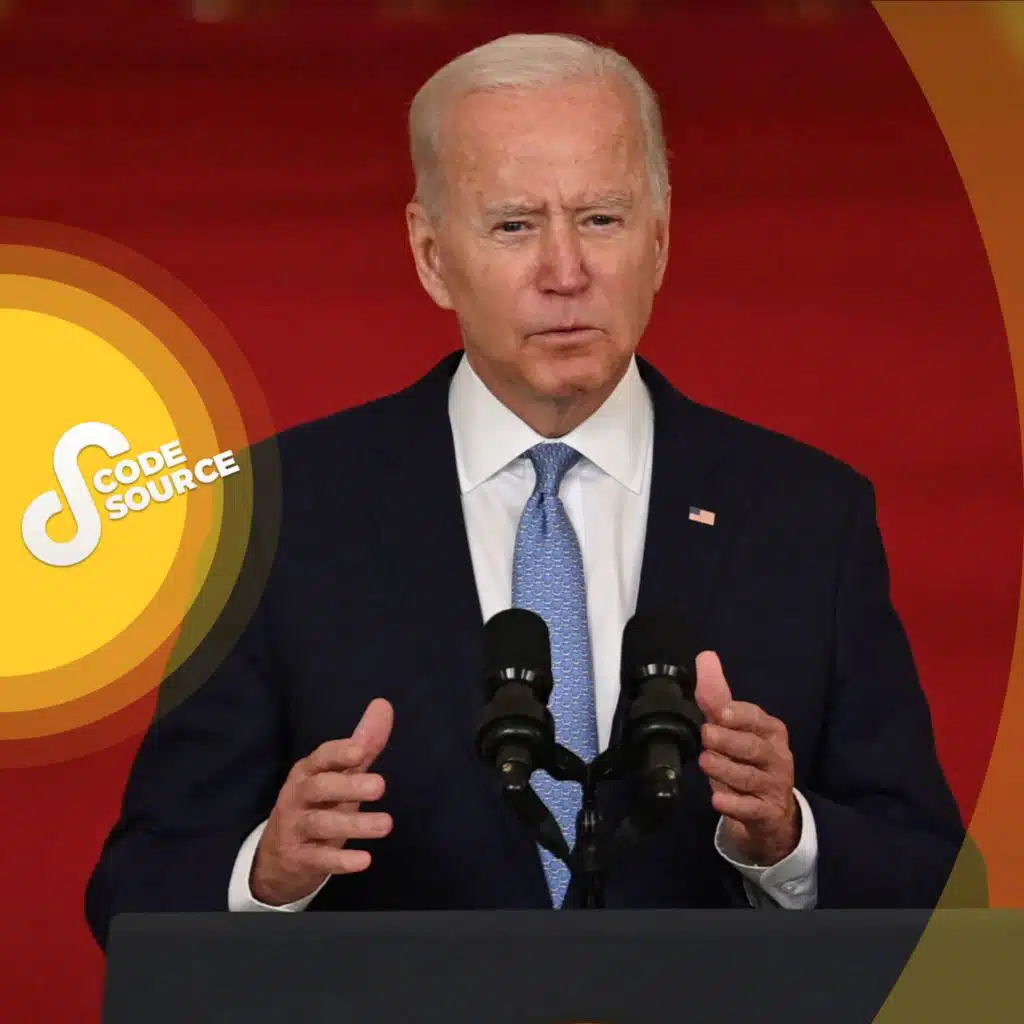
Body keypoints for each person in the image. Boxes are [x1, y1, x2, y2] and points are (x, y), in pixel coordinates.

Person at [85, 32, 972, 948]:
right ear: (432, 255)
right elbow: (136, 891)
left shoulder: (806, 516)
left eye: (602, 219)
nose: (565, 273)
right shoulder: (282, 513)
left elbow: (938, 881)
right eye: (514, 225)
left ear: (660, 238)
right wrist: (267, 873)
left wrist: (790, 841)